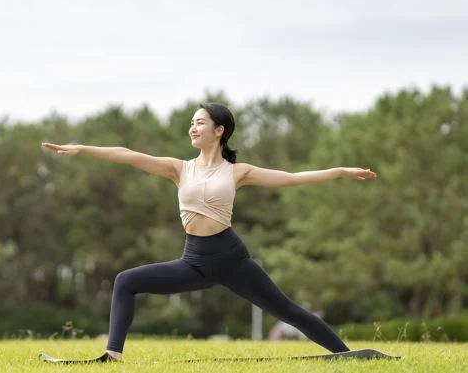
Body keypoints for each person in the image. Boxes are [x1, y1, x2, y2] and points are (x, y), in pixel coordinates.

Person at [41, 103, 377, 363]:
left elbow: (291, 177)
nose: (193, 127)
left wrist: (341, 171)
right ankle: (111, 358)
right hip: (195, 262)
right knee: (126, 281)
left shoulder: (237, 172)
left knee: (287, 311)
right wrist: (83, 148)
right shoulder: (179, 169)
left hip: (231, 259)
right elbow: (129, 156)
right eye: (192, 123)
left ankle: (348, 356)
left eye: (199, 122)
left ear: (220, 130)